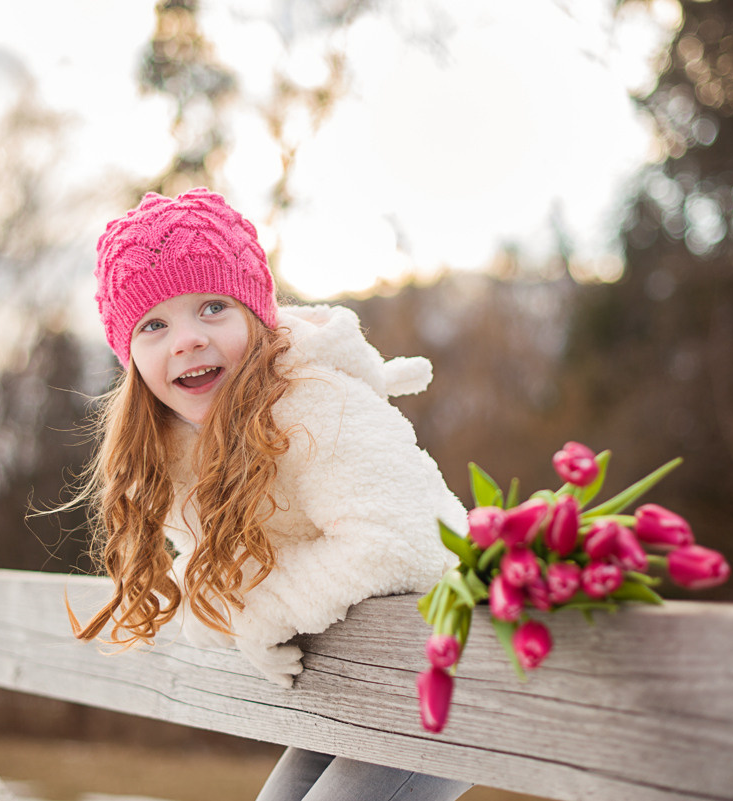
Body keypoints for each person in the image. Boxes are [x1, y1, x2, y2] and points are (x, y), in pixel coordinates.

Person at [69, 187, 470, 801]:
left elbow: (402, 545)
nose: (185, 340)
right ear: (130, 357)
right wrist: (241, 617)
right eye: (154, 324)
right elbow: (218, 572)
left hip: (453, 669)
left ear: (256, 314)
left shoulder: (315, 402)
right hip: (363, 675)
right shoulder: (177, 448)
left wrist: (264, 613)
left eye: (211, 308)